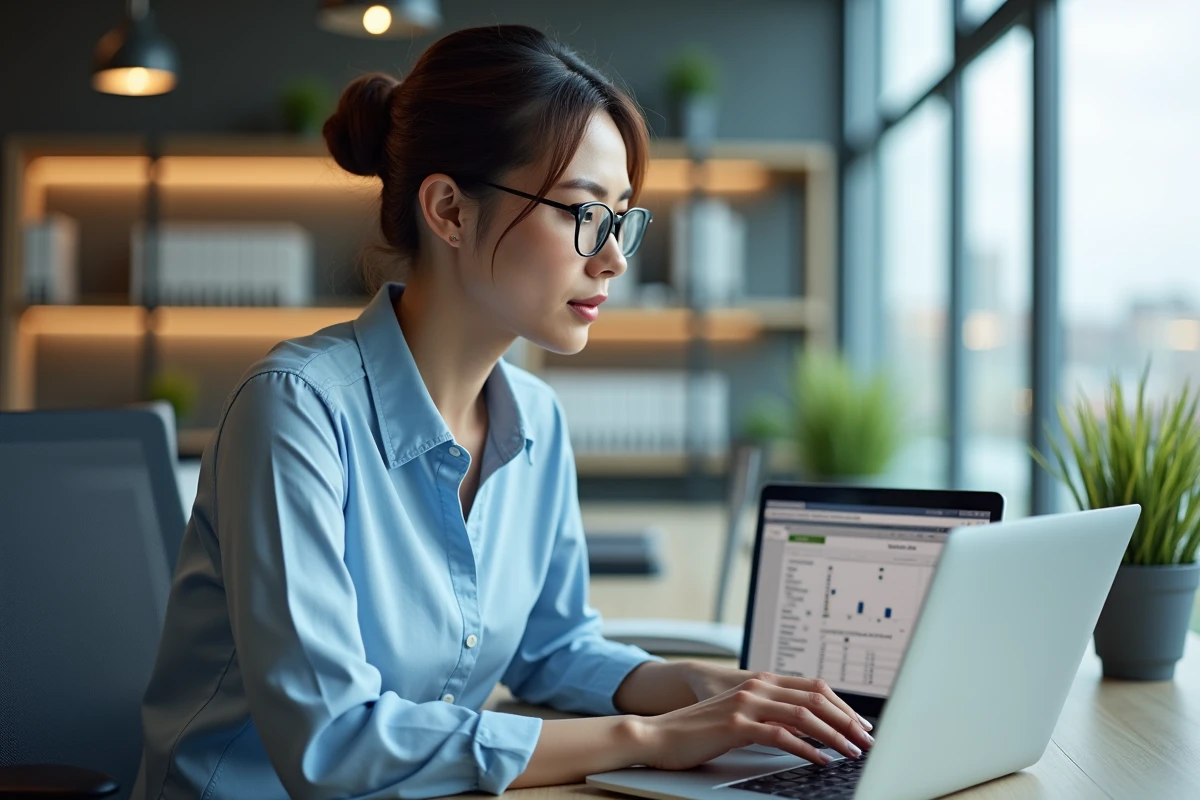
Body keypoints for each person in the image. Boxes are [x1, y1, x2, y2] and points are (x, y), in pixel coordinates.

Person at [130, 24, 873, 800]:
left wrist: (697, 686)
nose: (614, 257)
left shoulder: (536, 420)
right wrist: (652, 739)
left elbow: (552, 649)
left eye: (622, 217)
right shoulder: (296, 411)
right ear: (450, 210)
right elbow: (333, 745)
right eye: (583, 212)